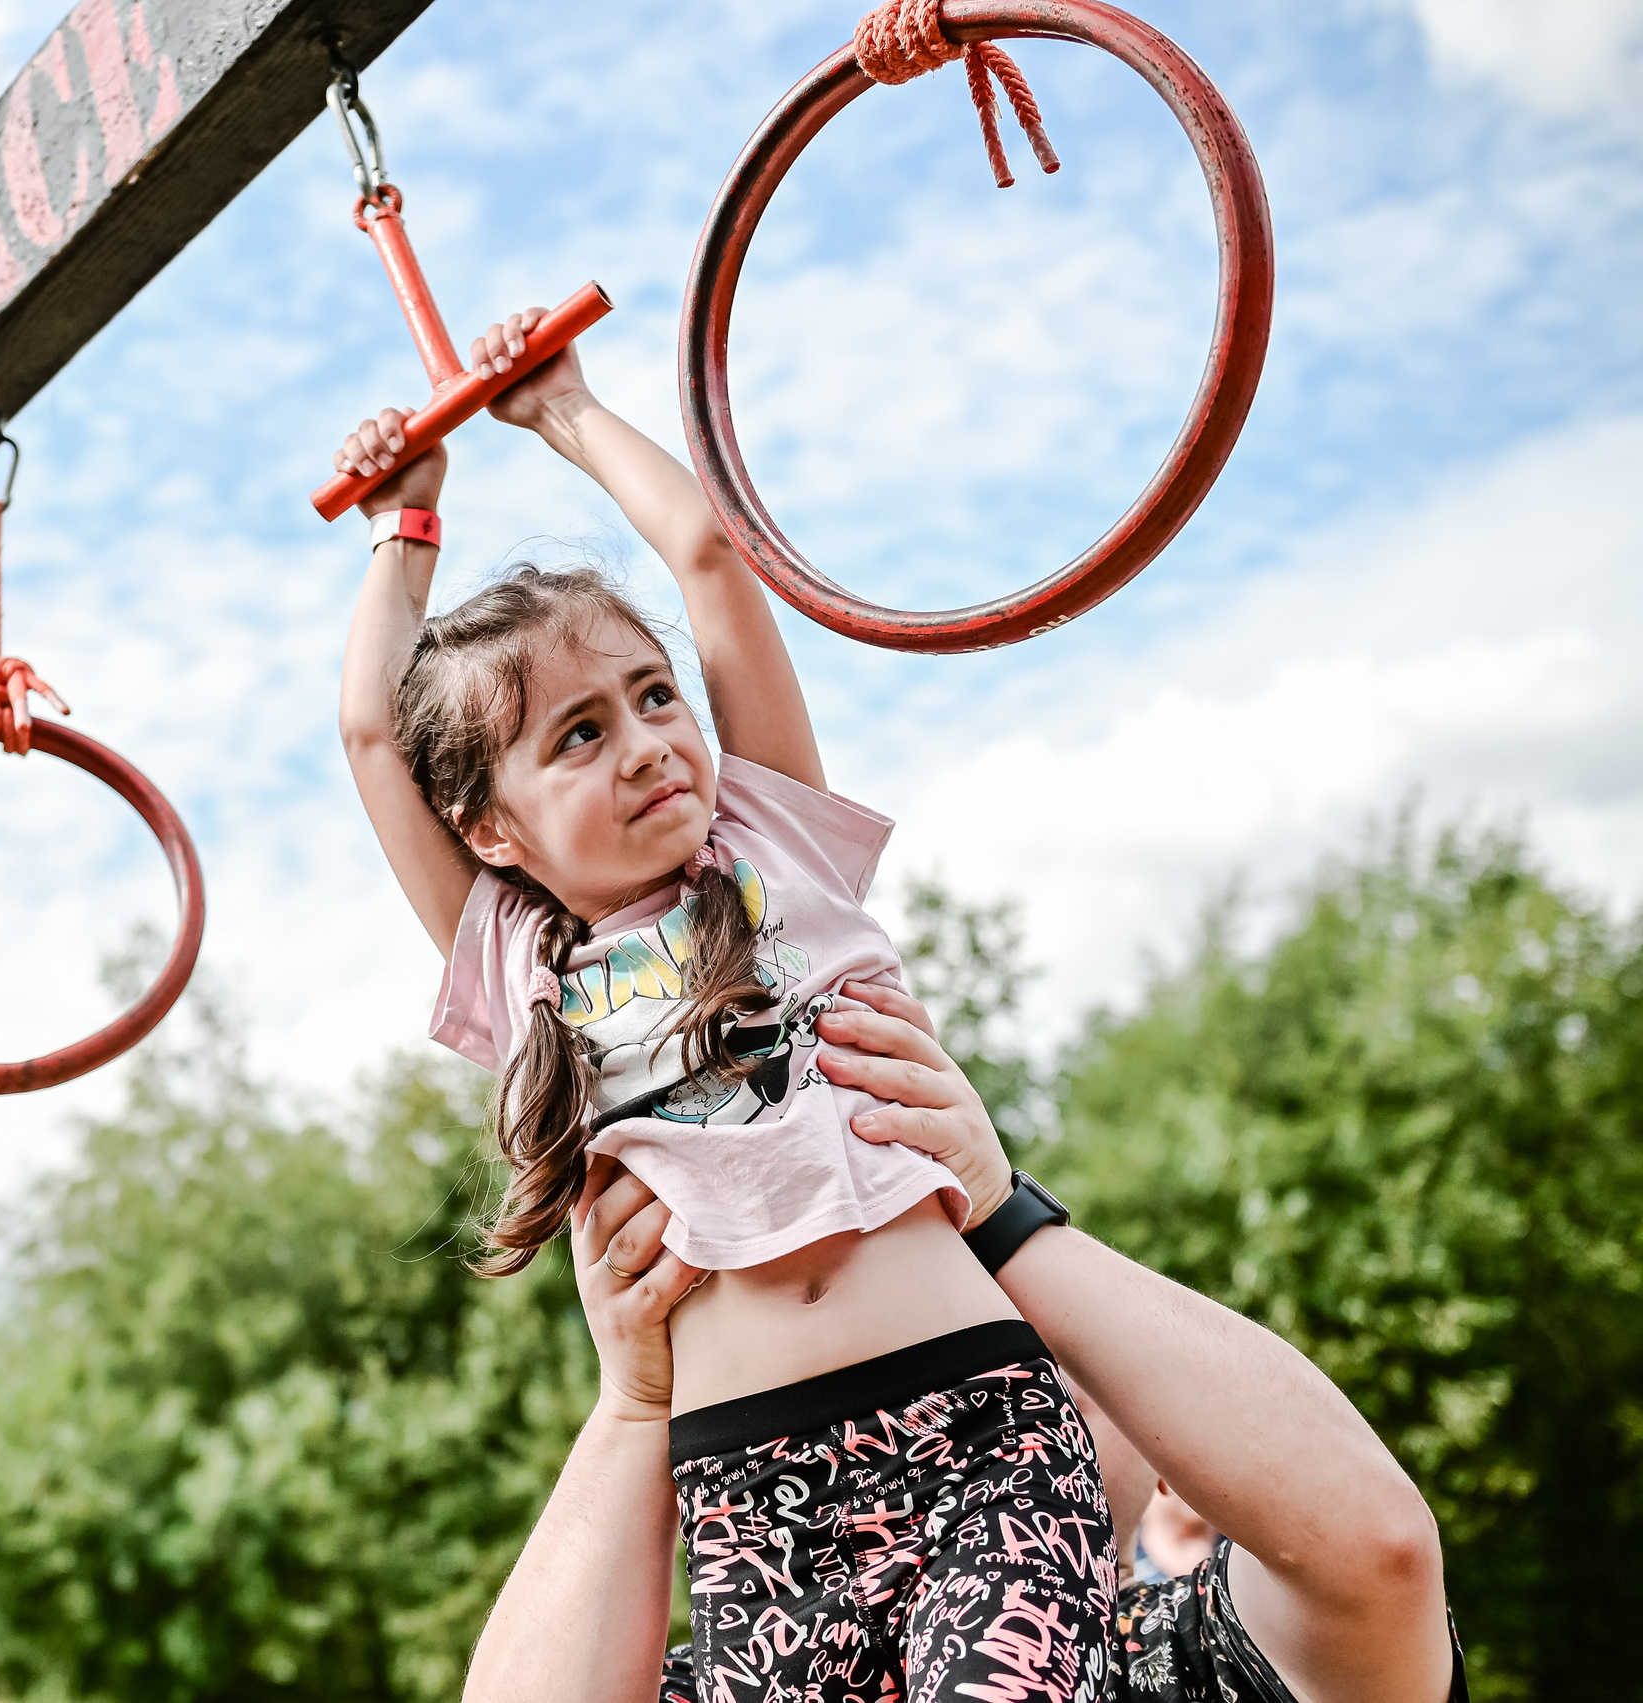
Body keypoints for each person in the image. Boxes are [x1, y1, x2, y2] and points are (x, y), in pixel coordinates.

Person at [333, 314, 1111, 1698]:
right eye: (578, 735)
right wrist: (406, 522)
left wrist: (562, 410)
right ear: (491, 827)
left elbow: (706, 557)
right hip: (751, 1491)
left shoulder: (770, 839)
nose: (646, 743)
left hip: (979, 1419)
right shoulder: (521, 967)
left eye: (650, 698)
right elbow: (376, 735)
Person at [462, 979, 1462, 1703]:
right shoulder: (737, 1664)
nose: (933, 1401)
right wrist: (635, 1404)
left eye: (1019, 1349)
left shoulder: (1179, 1665)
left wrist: (997, 1213)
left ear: (1159, 1462)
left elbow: (1374, 1553)